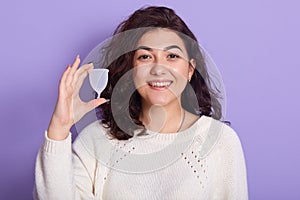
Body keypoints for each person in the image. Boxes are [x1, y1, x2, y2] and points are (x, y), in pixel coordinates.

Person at [34, 6, 248, 199]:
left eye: (172, 56)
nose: (158, 69)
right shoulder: (95, 140)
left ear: (190, 69)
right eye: (145, 57)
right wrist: (59, 128)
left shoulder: (221, 142)